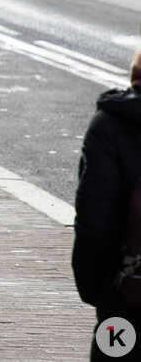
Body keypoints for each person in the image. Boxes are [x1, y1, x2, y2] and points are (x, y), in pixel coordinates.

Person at [73, 48, 141, 361]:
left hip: (127, 291)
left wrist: (94, 288)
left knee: (114, 352)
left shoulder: (112, 123)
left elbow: (95, 222)